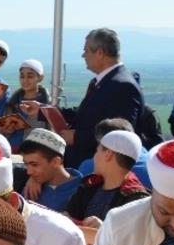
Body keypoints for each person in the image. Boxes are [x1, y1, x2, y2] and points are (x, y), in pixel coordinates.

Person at [58, 28, 146, 168]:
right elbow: (85, 115)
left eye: (86, 50)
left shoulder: (123, 86)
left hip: (99, 169)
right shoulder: (104, 82)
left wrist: (77, 137)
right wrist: (44, 111)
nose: (83, 55)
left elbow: (121, 134)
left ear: (99, 53)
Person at [64, 129, 149, 224]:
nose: (94, 157)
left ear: (108, 154)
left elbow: (133, 232)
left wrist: (103, 228)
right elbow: (70, 214)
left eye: (97, 151)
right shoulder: (88, 186)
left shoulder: (137, 200)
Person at [18, 129, 82, 211]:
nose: (28, 172)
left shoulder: (82, 191)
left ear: (56, 162)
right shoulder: (30, 186)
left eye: (34, 165)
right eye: (26, 164)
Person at [2, 59, 50, 146]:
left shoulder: (47, 107)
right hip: (10, 148)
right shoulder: (12, 104)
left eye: (30, 76)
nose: (25, 80)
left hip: (34, 150)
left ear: (40, 78)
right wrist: (5, 130)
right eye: (22, 76)